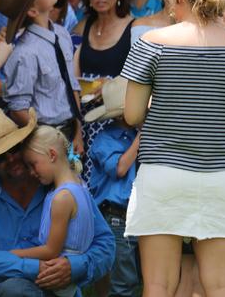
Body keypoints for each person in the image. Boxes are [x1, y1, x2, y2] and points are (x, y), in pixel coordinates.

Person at [121, 0, 225, 296]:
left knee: (158, 285)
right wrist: (224, 138)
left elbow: (131, 115)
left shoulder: (152, 43)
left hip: (162, 174)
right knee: (220, 285)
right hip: (222, 175)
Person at [0, 108, 115, 297]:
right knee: (14, 289)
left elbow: (106, 244)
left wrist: (73, 267)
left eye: (14, 148)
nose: (11, 159)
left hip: (57, 289)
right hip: (7, 291)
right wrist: (35, 267)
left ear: (24, 144)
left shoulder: (63, 186)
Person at [0, 0, 84, 155]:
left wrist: (79, 132)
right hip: (45, 139)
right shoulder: (25, 52)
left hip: (71, 130)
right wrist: (45, 137)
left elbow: (73, 85)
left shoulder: (62, 34)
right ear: (33, 10)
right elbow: (18, 109)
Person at [10, 125, 94, 297]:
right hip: (70, 282)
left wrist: (11, 255)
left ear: (52, 155)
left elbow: (51, 251)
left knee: (9, 286)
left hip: (57, 281)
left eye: (33, 165)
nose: (32, 173)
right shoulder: (80, 184)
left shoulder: (62, 198)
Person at [72, 0, 134, 180]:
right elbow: (73, 84)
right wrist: (77, 131)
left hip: (119, 127)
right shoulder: (81, 27)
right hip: (86, 124)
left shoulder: (134, 28)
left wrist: (113, 85)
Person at [83, 77, 141, 297]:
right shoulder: (104, 139)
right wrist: (142, 136)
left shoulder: (134, 136)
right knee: (122, 280)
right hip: (115, 216)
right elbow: (120, 168)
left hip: (135, 214)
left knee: (132, 274)